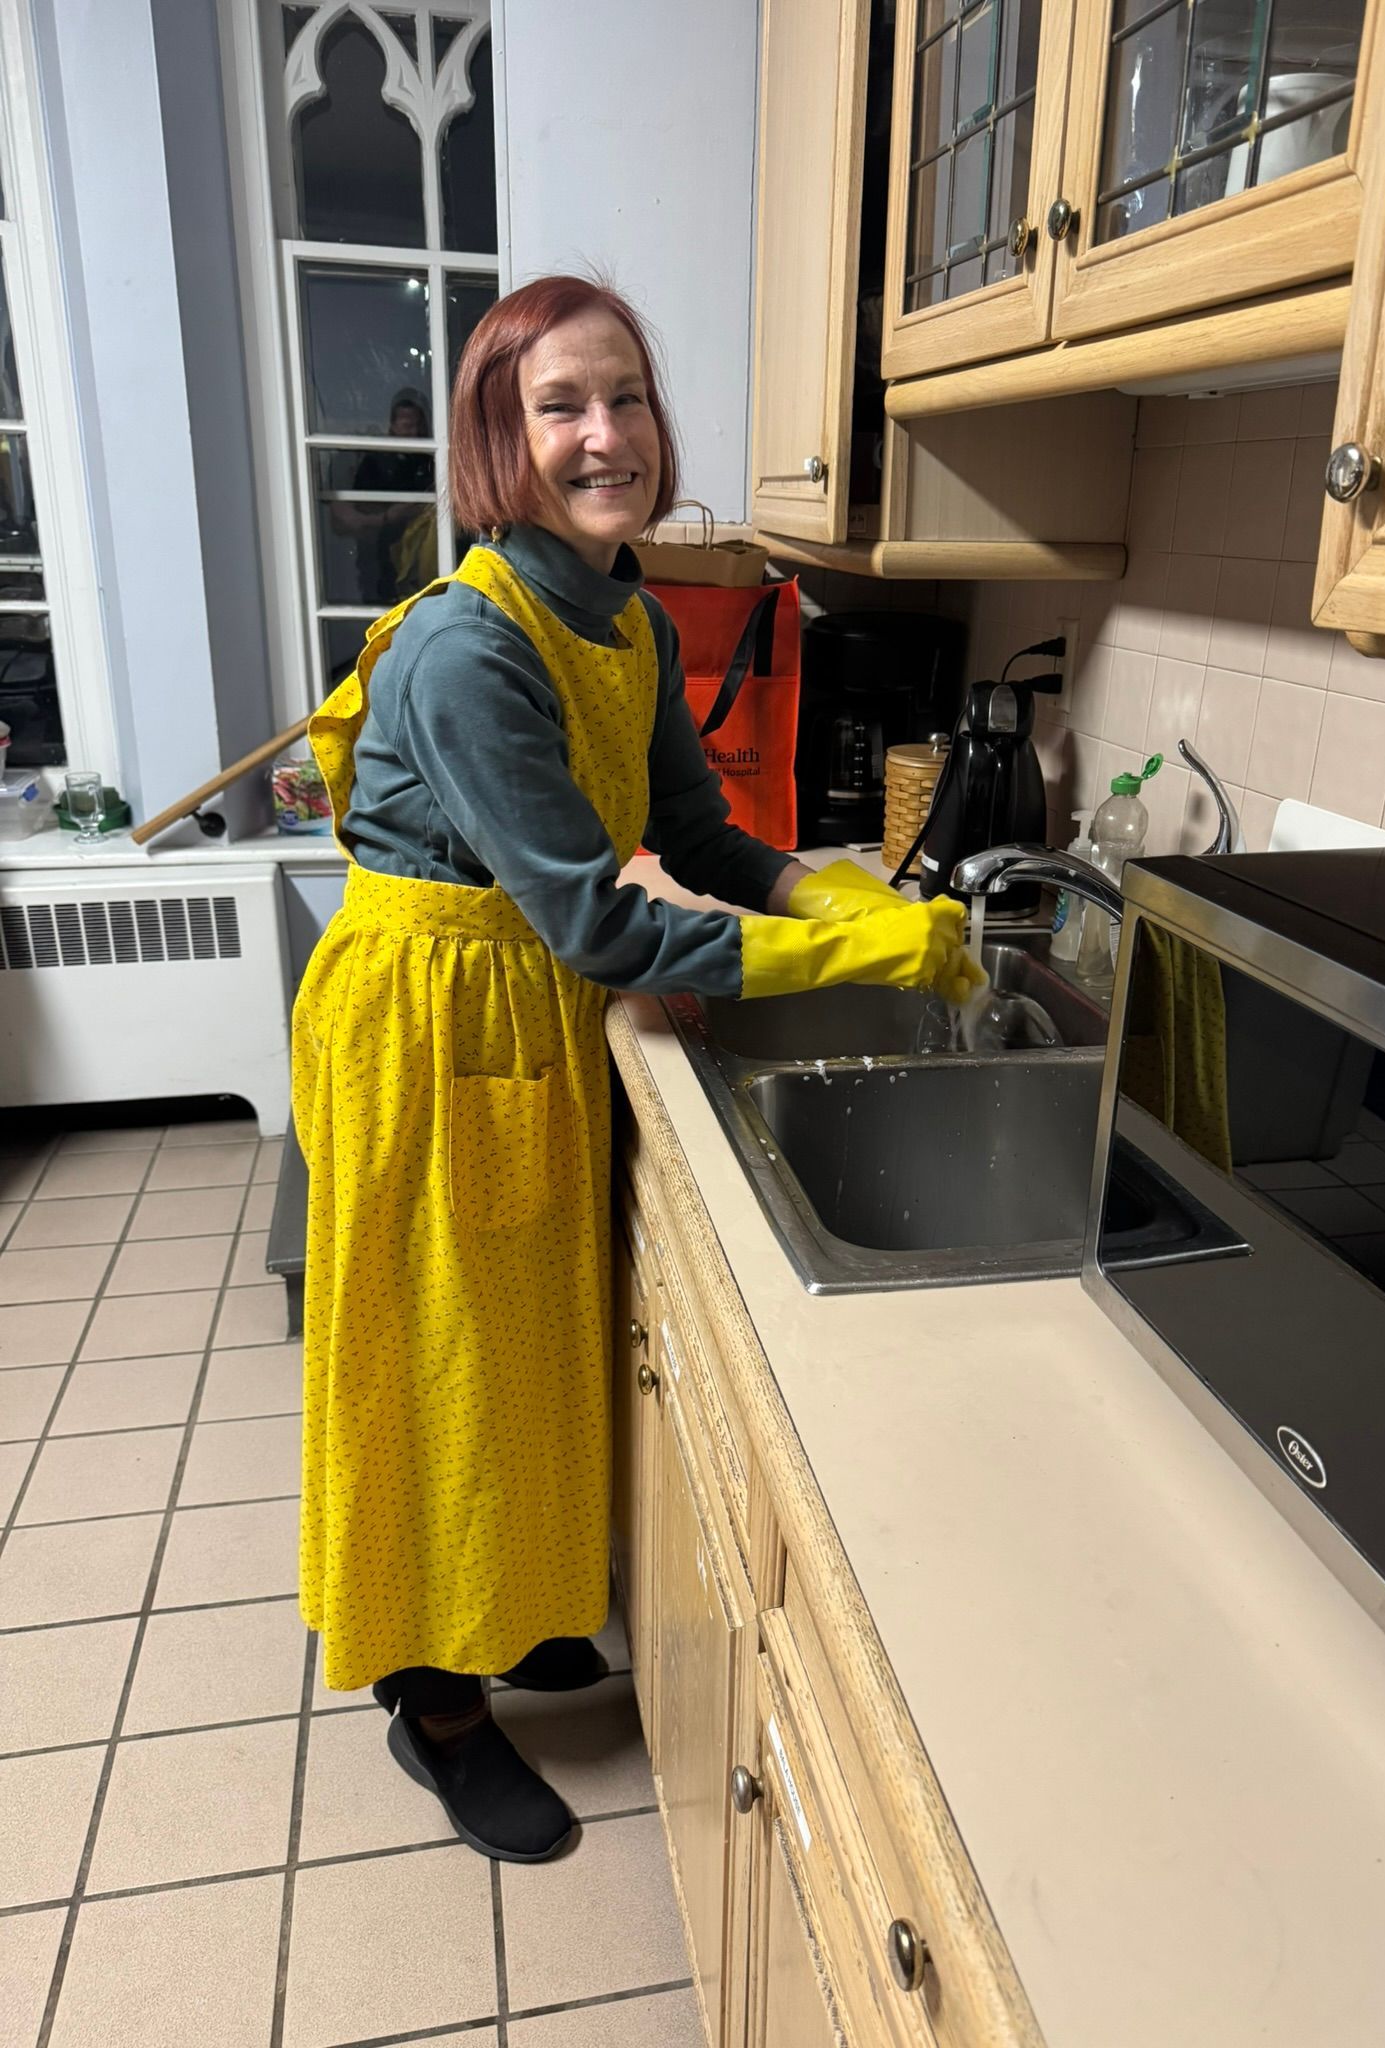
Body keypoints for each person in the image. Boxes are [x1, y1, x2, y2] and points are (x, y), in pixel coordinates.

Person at [291, 274, 983, 1866]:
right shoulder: (469, 650)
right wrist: (836, 958)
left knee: (528, 1346)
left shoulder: (631, 611)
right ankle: (431, 1703)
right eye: (560, 408)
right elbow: (605, 917)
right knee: (438, 1361)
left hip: (520, 1013)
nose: (607, 436)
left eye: (629, 398)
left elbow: (694, 836)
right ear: (499, 442)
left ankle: (516, 1607)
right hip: (434, 1025)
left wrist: (823, 889)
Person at [329, 388, 435, 605]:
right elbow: (350, 515)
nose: (411, 432)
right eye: (405, 425)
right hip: (379, 558)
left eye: (416, 425)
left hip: (425, 561)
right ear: (392, 426)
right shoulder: (376, 461)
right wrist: (388, 516)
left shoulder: (433, 460)